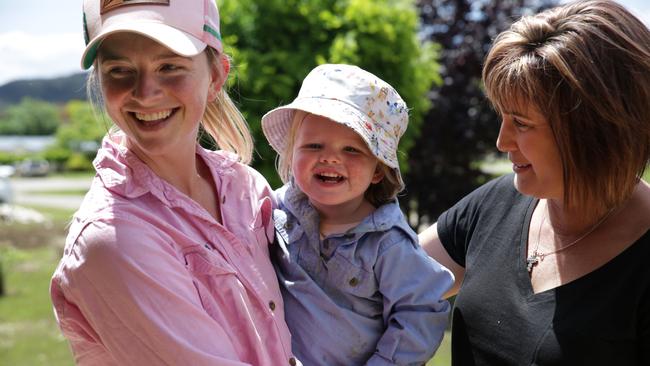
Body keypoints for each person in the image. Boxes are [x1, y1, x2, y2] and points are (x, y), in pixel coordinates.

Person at [49, 1, 298, 365]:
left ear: (215, 77)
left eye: (169, 66)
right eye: (120, 70)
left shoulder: (246, 189)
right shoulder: (115, 238)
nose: (145, 92)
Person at [418, 0, 650, 364]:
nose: (502, 142)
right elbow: (384, 282)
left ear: (595, 130)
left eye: (521, 123)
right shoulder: (496, 204)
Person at [261, 64, 454, 365]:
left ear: (378, 169)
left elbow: (420, 314)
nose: (329, 157)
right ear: (291, 153)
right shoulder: (273, 210)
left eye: (351, 150)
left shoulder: (387, 244)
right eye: (313, 145)